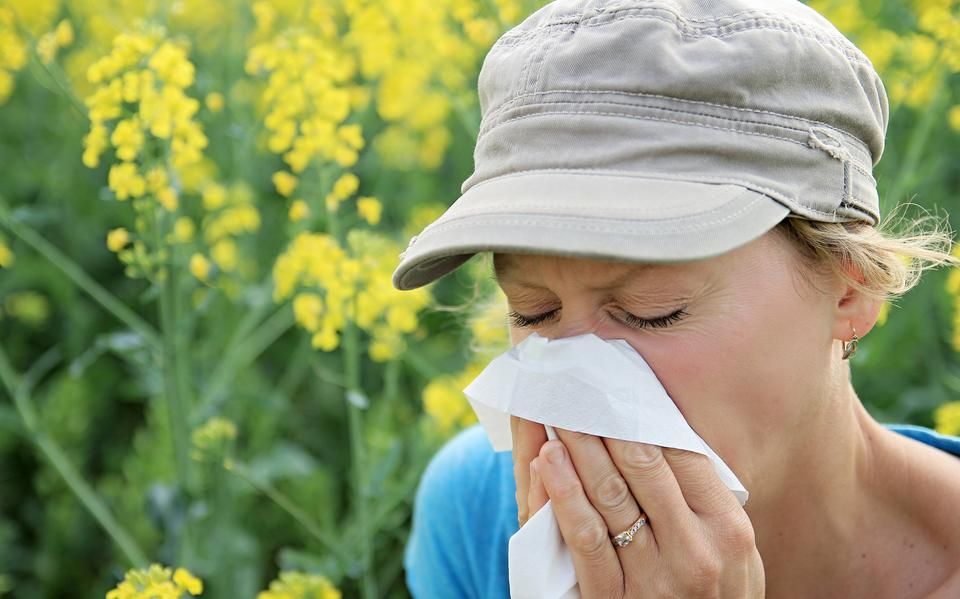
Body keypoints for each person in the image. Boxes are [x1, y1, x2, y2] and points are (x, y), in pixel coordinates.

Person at [391, 0, 960, 597]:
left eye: (652, 310)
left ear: (850, 289)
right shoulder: (477, 510)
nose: (578, 381)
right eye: (534, 311)